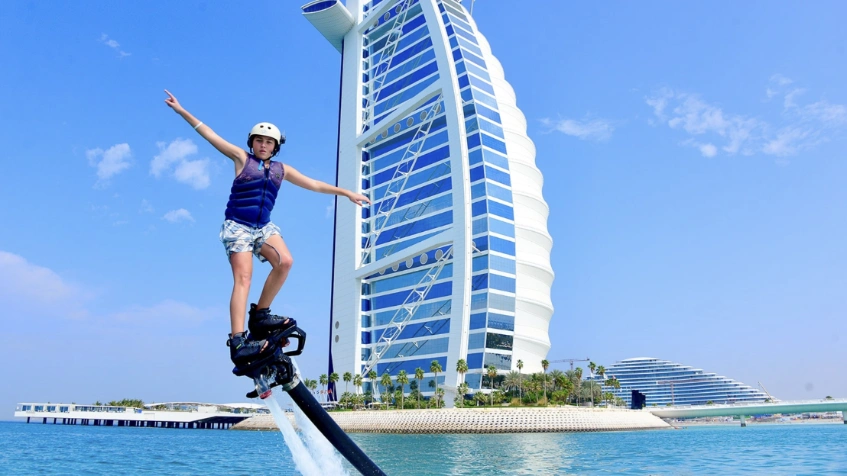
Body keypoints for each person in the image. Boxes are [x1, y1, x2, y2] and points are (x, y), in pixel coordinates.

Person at [163, 89, 370, 368]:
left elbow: (315, 184)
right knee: (244, 279)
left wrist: (346, 192)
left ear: (275, 146)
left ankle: (260, 315)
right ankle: (238, 340)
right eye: (259, 140)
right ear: (252, 143)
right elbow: (209, 134)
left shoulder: (282, 170)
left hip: (262, 227)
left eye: (269, 142)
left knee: (285, 261)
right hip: (238, 226)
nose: (263, 145)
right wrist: (181, 110)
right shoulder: (241, 159)